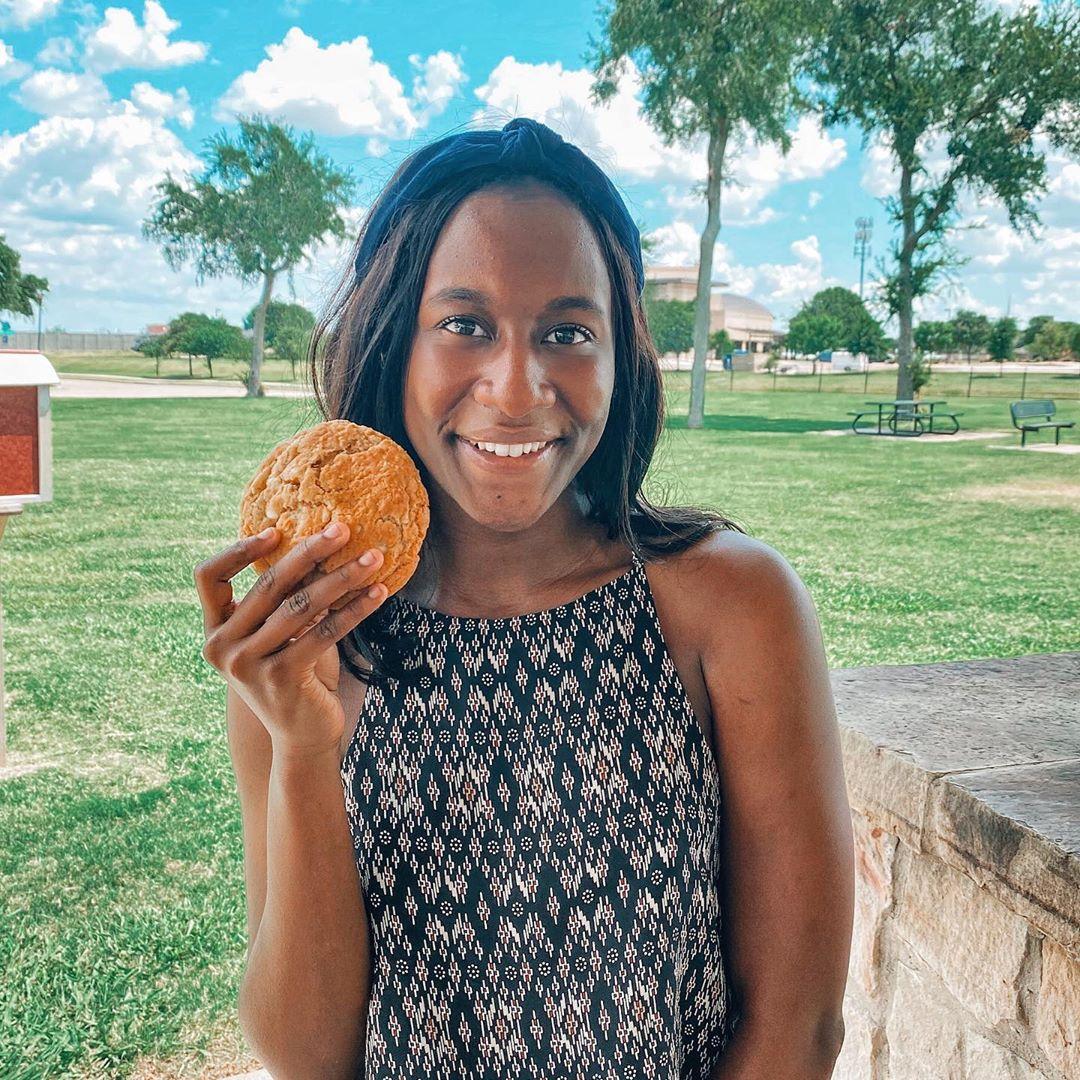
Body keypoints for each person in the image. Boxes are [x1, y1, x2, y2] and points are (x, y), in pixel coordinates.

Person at [196, 116, 853, 1079]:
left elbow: (797, 1024)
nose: (515, 390)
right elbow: (308, 1056)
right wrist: (302, 744)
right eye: (464, 325)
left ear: (621, 355)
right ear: (394, 342)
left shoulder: (727, 605)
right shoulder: (304, 641)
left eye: (566, 332)